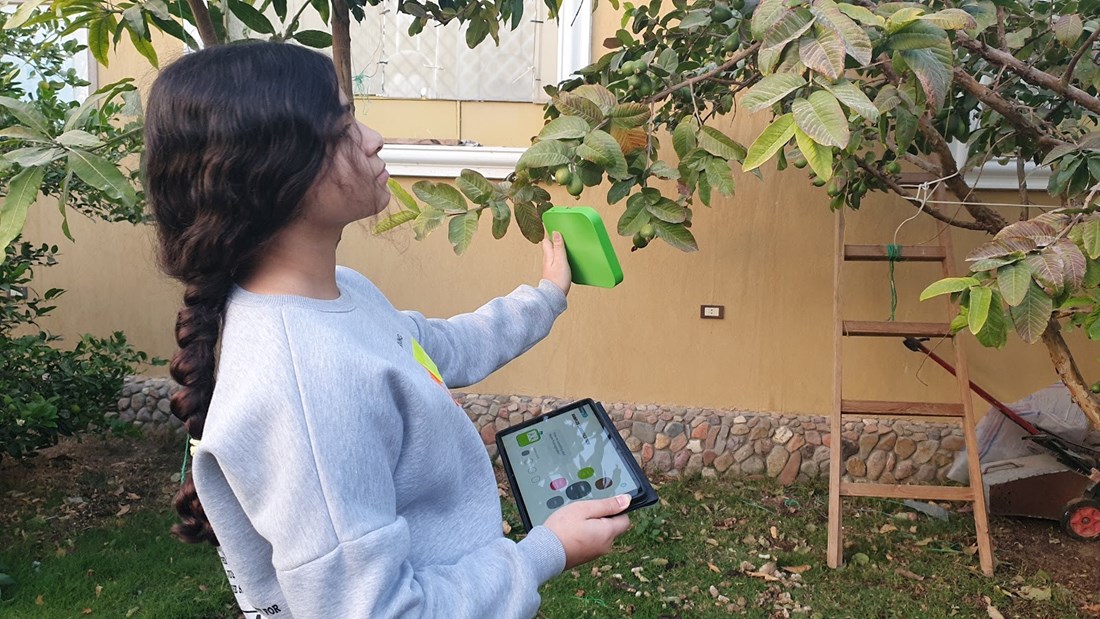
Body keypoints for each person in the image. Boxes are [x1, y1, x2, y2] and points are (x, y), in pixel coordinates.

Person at [142, 42, 632, 618]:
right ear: (273, 170)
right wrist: (546, 551)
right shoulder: (307, 389)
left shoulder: (337, 294)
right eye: (343, 126)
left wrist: (547, 295)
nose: (373, 139)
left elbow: (438, 347)